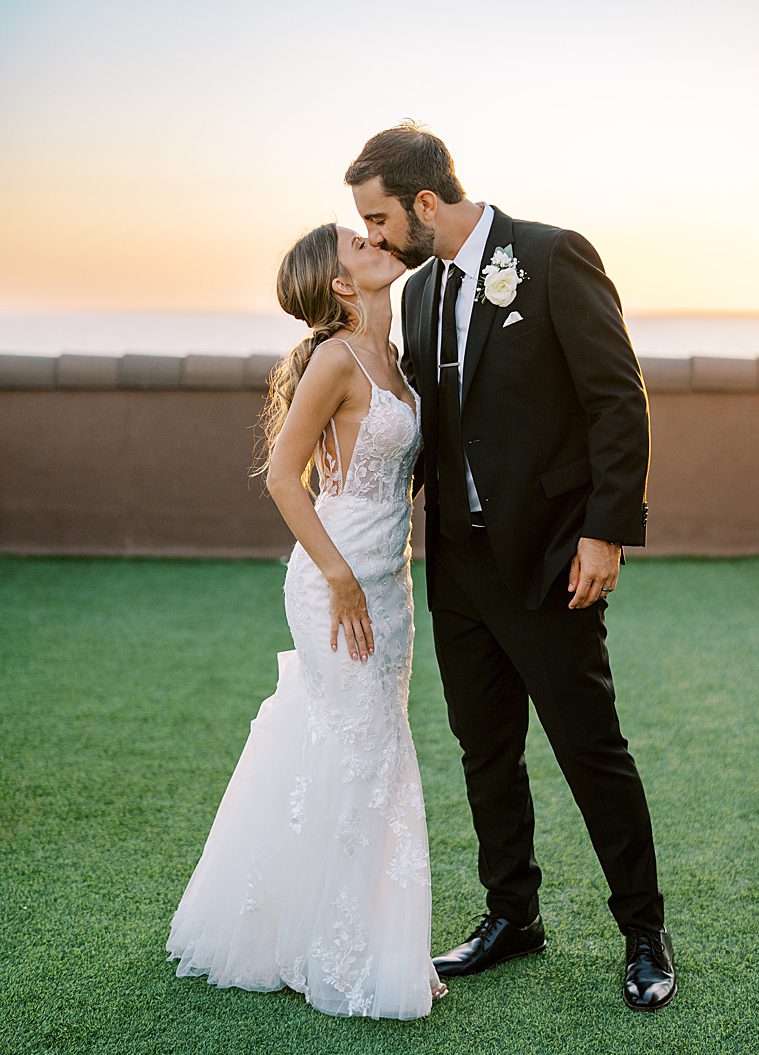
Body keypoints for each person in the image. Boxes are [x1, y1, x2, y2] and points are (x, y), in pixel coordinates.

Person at [344, 122, 675, 1011]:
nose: (373, 238)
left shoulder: (553, 255)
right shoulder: (416, 298)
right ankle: (511, 916)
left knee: (590, 749)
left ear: (424, 202)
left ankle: (644, 930)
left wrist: (606, 532)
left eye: (378, 219)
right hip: (457, 567)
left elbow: (617, 399)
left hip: (551, 561)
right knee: (485, 751)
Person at [166, 223, 447, 1017]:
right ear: (340, 282)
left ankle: (338, 929)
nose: (375, 241)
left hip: (388, 585)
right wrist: (339, 578)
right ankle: (344, 949)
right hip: (336, 580)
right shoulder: (335, 358)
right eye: (358, 243)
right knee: (363, 746)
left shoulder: (393, 355)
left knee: (366, 744)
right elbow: (284, 477)